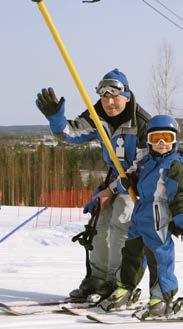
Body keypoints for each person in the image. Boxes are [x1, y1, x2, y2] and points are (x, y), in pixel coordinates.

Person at [35, 68, 151, 301]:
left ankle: (120, 282)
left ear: (126, 95)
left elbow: (139, 168)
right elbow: (70, 134)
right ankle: (98, 280)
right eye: (104, 95)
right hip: (114, 179)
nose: (109, 101)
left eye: (115, 95)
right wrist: (56, 120)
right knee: (100, 226)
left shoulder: (141, 123)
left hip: (138, 183)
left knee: (122, 222)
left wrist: (110, 191)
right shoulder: (97, 116)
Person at [103, 115, 183, 316]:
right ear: (149, 141)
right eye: (157, 138)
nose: (162, 143)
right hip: (140, 215)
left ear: (175, 140)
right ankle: (125, 287)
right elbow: (130, 178)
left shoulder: (175, 166)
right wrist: (127, 180)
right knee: (131, 254)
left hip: (160, 218)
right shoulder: (146, 161)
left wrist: (181, 219)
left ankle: (161, 297)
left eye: (167, 137)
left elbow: (181, 195)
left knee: (159, 258)